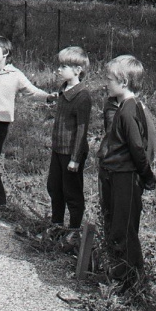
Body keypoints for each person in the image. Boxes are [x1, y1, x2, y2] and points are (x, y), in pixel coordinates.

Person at [0, 36, 51, 218]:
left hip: (3, 122)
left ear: (5, 53)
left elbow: (32, 91)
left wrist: (48, 97)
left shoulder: (15, 75)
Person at [97, 54, 156, 292]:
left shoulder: (130, 109)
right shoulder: (123, 106)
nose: (106, 83)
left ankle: (133, 280)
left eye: (109, 79)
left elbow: (137, 147)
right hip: (116, 173)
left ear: (124, 82)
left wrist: (147, 176)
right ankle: (123, 276)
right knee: (118, 227)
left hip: (127, 176)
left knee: (125, 229)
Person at [46, 46, 92, 236]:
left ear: (77, 70)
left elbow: (82, 129)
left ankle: (74, 231)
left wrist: (75, 158)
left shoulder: (82, 96)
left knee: (71, 192)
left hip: (72, 153)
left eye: (64, 66)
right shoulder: (64, 89)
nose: (59, 69)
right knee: (54, 187)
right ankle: (56, 226)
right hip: (58, 149)